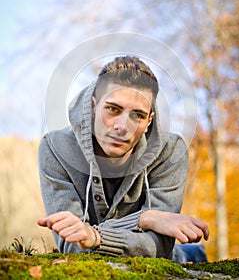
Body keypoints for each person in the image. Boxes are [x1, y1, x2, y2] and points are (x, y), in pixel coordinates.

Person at [38, 55, 209, 258]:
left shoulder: (170, 152)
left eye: (137, 115)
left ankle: (193, 253)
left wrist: (94, 236)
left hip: (175, 261)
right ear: (93, 107)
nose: (122, 127)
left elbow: (160, 248)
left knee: (183, 255)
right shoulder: (56, 148)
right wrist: (144, 219)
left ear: (149, 121)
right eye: (112, 109)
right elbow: (73, 245)